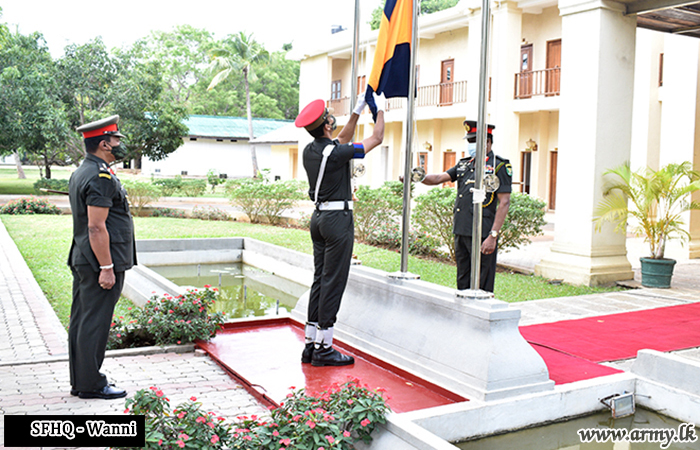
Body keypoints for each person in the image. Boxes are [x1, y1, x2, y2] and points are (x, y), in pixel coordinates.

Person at [295, 93, 385, 366]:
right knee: (334, 281)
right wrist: (380, 111)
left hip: (319, 220)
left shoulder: (312, 151)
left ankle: (311, 344)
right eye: (330, 117)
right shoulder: (334, 153)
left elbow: (342, 139)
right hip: (337, 222)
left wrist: (357, 112)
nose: (333, 120)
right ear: (326, 125)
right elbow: (377, 138)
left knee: (320, 279)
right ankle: (325, 349)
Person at [67, 115, 136, 399]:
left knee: (83, 321)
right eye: (116, 139)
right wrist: (107, 267)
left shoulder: (83, 171)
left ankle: (82, 380)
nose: (119, 143)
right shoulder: (100, 176)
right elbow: (96, 227)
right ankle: (91, 384)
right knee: (94, 323)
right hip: (99, 261)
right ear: (104, 143)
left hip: (84, 257)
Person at [415, 120, 512, 292]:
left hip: (483, 232)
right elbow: (438, 178)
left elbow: (504, 202)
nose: (471, 145)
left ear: (487, 142)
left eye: (474, 141)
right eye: (469, 141)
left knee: (482, 281)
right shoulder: (464, 164)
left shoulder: (499, 166)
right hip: (462, 230)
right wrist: (417, 176)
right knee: (463, 278)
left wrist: (493, 235)